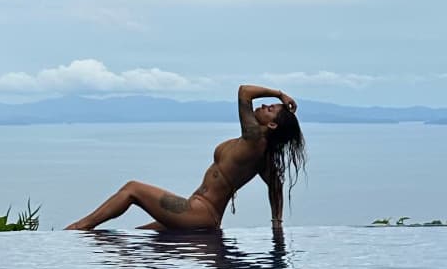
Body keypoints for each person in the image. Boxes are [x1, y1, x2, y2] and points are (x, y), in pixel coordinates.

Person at [66, 83, 307, 232]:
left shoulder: (255, 139)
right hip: (200, 214)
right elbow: (276, 185)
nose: (264, 106)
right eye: (268, 104)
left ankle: (79, 228)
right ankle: (82, 229)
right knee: (140, 234)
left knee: (132, 189)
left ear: (272, 125)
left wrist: (280, 94)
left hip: (199, 212)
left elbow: (244, 92)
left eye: (270, 109)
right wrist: (277, 224)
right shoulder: (262, 153)